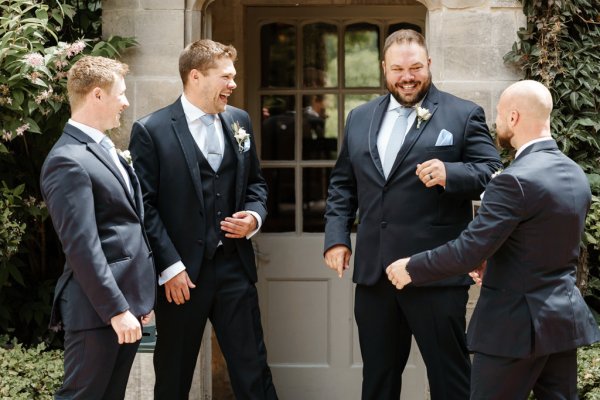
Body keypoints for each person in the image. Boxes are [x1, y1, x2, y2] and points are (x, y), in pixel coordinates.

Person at [387, 79, 600, 399]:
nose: (496, 123)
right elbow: (539, 244)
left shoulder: (514, 180)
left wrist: (411, 268)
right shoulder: (574, 174)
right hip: (561, 321)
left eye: (499, 115)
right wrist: (493, 260)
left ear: (513, 117)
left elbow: (467, 251)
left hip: (513, 327)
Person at [323, 29, 502, 399]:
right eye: (398, 69)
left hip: (434, 273)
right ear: (383, 69)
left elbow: (492, 173)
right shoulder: (359, 117)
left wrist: (452, 174)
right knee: (378, 380)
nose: (408, 77)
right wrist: (336, 237)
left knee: (450, 379)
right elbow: (343, 184)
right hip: (374, 276)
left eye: (416, 67)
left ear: (429, 65)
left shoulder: (463, 113)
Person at [129, 39, 277, 400]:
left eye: (234, 77)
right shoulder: (152, 130)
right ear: (196, 76)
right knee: (174, 376)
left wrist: (254, 217)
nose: (233, 84)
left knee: (253, 371)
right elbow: (143, 207)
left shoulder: (239, 120)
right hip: (181, 278)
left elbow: (256, 184)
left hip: (234, 270)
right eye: (226, 76)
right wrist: (170, 267)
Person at [41, 56, 155, 399]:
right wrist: (117, 310)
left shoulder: (105, 150)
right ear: (97, 95)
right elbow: (83, 248)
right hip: (97, 311)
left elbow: (126, 227)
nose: (126, 101)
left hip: (125, 304)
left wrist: (137, 301)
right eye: (120, 93)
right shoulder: (67, 160)